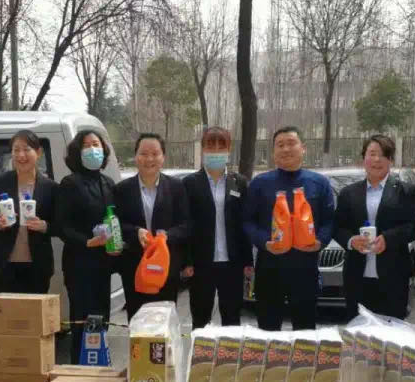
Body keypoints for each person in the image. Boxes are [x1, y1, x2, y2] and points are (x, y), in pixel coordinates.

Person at [242, 126, 335, 331]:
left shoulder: (319, 183)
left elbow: (329, 220)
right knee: (268, 329)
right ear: (273, 152)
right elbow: (247, 221)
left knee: (305, 329)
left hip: (305, 267)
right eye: (280, 145)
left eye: (291, 143)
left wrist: (320, 241)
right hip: (269, 266)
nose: (286, 149)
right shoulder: (260, 183)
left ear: (303, 148)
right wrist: (264, 242)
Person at [334, 134, 415, 320]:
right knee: (359, 330)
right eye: (372, 154)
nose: (376, 160)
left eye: (383, 155)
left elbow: (414, 226)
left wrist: (388, 239)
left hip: (394, 275)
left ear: (390, 160)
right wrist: (351, 241)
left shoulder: (406, 191)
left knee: (391, 330)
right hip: (357, 275)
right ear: (363, 158)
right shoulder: (348, 193)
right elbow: (338, 227)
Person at [56, 130, 120, 363]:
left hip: (103, 265)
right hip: (79, 265)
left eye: (96, 144)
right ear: (77, 152)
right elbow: (61, 226)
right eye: (87, 145)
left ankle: (99, 367)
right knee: (82, 322)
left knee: (101, 319)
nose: (93, 149)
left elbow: (116, 220)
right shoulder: (70, 183)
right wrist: (86, 241)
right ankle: (79, 369)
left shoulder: (108, 183)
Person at [114, 133, 191, 320]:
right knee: (137, 320)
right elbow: (117, 224)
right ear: (135, 156)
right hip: (134, 267)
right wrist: (135, 231)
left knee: (163, 321)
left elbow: (186, 225)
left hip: (166, 267)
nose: (149, 159)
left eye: (155, 154)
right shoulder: (122, 189)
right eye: (143, 153)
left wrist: (166, 236)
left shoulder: (176, 187)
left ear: (163, 157)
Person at [182, 126, 253, 328]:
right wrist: (186, 261)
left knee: (232, 320)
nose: (215, 151)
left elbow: (244, 224)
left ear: (228, 150)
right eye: (210, 146)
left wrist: (248, 262)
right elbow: (186, 225)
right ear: (203, 149)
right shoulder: (189, 183)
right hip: (201, 264)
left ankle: (229, 350)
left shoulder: (239, 183)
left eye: (221, 146)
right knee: (200, 320)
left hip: (232, 264)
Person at [0, 130, 57, 294]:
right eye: (16, 150)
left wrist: (44, 225)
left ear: (38, 153)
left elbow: (60, 225)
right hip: (3, 264)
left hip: (37, 266)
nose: (21, 155)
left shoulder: (50, 187)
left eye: (26, 149)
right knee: (7, 309)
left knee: (34, 309)